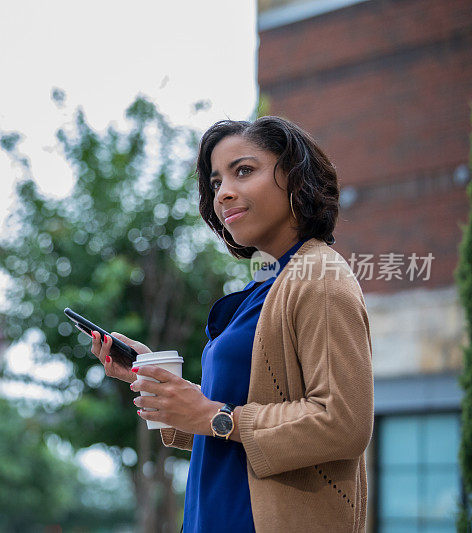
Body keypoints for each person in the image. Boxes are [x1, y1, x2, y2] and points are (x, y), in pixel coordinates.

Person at [89, 116, 374, 532]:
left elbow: (342, 423)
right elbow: (225, 428)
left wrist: (216, 416)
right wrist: (163, 382)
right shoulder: (265, 285)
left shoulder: (320, 277)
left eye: (244, 170)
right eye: (216, 180)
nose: (224, 192)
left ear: (296, 178)